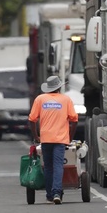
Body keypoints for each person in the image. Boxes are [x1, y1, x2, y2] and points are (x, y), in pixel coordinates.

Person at [28, 76, 78, 204]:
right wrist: (70, 137)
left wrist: (36, 136)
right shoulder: (66, 100)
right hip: (60, 140)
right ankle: (57, 192)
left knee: (48, 167)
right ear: (59, 87)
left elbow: (32, 120)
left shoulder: (40, 99)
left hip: (45, 139)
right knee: (58, 166)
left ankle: (50, 194)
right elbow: (74, 120)